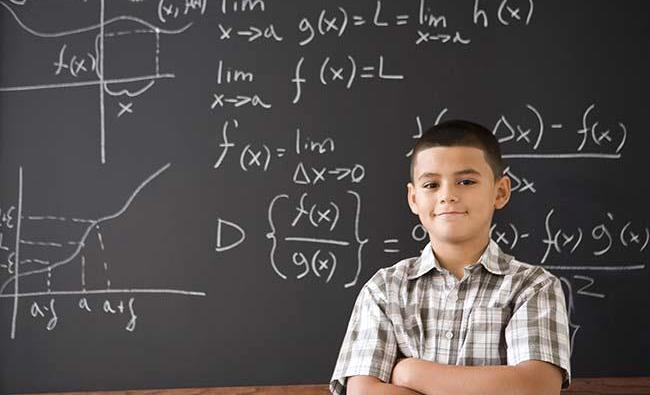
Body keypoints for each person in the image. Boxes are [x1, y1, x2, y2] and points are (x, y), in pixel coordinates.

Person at [329, 120, 571, 395]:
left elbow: (535, 387)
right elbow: (362, 392)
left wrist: (411, 372)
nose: (448, 195)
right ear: (413, 199)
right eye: (431, 185)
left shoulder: (532, 286)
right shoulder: (384, 290)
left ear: (500, 192)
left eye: (466, 181)